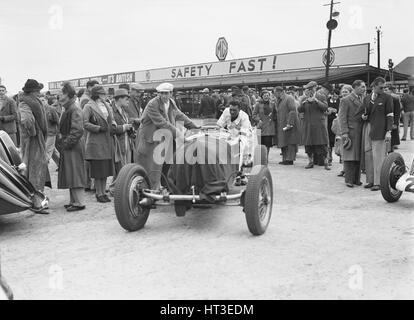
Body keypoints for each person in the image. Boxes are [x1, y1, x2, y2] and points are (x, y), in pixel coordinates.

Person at [135, 82, 199, 189]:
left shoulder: (171, 103)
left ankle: (166, 187)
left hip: (165, 138)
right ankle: (150, 192)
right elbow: (162, 123)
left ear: (171, 93)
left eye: (166, 93)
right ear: (158, 94)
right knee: (152, 168)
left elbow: (180, 116)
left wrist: (195, 127)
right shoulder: (152, 104)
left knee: (168, 164)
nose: (164, 96)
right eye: (161, 93)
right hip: (151, 139)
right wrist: (179, 135)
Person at [358, 77, 394, 191]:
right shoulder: (367, 98)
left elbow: (390, 115)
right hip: (368, 128)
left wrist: (388, 131)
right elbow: (363, 112)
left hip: (380, 130)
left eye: (384, 87)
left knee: (378, 157)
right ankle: (370, 180)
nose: (383, 89)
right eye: (381, 87)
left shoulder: (387, 98)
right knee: (368, 155)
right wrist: (363, 117)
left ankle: (378, 182)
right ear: (374, 86)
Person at [57, 82, 87, 212]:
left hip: (72, 145)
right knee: (71, 173)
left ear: (67, 95)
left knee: (75, 173)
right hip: (70, 144)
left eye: (61, 92)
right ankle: (74, 201)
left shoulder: (73, 109)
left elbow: (77, 130)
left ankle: (79, 202)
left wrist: (66, 143)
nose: (59, 95)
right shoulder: (69, 107)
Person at [83, 85, 115, 203]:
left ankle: (103, 192)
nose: (104, 96)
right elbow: (85, 123)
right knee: (98, 170)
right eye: (102, 94)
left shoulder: (106, 104)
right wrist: (98, 128)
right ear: (97, 94)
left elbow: (111, 119)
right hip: (96, 142)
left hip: (106, 140)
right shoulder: (88, 106)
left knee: (105, 169)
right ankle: (98, 193)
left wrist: (114, 124)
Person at [18, 79, 51, 192]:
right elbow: (26, 120)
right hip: (32, 140)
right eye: (37, 90)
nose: (39, 92)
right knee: (34, 169)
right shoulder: (25, 102)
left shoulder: (33, 100)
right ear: (32, 91)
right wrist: (33, 132)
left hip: (37, 139)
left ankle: (37, 195)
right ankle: (35, 199)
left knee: (37, 167)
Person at [337, 80, 366, 188]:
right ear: (356, 87)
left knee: (358, 155)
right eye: (362, 87)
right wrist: (344, 133)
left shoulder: (362, 99)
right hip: (350, 131)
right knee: (350, 156)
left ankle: (356, 179)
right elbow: (342, 117)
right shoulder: (346, 100)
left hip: (359, 130)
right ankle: (349, 179)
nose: (364, 89)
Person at [297, 81, 330, 170]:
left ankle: (326, 163)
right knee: (308, 145)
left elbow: (325, 107)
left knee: (322, 144)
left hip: (319, 124)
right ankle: (310, 162)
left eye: (311, 88)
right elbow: (299, 110)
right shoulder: (304, 98)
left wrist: (316, 101)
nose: (310, 90)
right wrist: (304, 102)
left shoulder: (321, 96)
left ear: (316, 88)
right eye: (308, 89)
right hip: (308, 124)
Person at [111, 88, 134, 187]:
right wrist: (125, 127)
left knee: (124, 166)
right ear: (119, 99)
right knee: (120, 167)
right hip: (118, 143)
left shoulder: (123, 111)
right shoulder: (111, 111)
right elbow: (112, 129)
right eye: (126, 99)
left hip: (126, 141)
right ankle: (115, 188)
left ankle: (119, 187)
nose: (128, 101)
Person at [274, 86, 301, 165]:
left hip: (289, 124)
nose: (274, 94)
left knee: (290, 142)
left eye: (275, 92)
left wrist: (290, 123)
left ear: (279, 92)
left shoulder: (289, 98)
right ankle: (285, 158)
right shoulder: (279, 99)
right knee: (284, 141)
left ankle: (290, 159)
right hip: (282, 124)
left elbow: (292, 111)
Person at [333, 84, 353, 177]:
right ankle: (344, 169)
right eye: (343, 91)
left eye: (346, 91)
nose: (344, 93)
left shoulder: (351, 101)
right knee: (342, 150)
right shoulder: (341, 101)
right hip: (341, 128)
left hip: (348, 128)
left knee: (348, 150)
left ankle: (348, 170)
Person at [252, 90, 276, 156]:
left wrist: (273, 116)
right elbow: (253, 115)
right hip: (261, 126)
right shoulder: (258, 104)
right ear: (262, 96)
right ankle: (261, 157)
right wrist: (258, 120)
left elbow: (275, 113)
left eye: (267, 95)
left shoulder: (272, 104)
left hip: (269, 127)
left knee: (268, 144)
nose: (266, 97)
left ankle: (266, 157)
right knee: (261, 144)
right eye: (264, 95)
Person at [384, 85, 401, 151]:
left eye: (386, 89)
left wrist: (396, 123)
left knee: (391, 139)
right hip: (385, 122)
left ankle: (392, 149)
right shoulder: (396, 97)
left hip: (391, 121)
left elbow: (397, 112)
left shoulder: (395, 98)